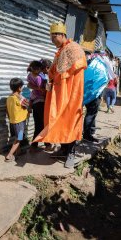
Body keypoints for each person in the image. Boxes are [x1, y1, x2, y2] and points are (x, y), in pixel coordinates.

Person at [33, 22, 87, 168]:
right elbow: (54, 72)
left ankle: (71, 152)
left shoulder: (74, 49)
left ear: (62, 35)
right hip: (59, 93)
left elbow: (73, 73)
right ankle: (63, 149)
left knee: (70, 122)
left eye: (53, 37)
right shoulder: (61, 51)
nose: (52, 41)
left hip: (71, 94)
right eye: (50, 37)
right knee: (59, 121)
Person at [27, 60, 52, 151]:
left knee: (38, 124)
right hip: (41, 102)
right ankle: (47, 144)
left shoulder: (30, 75)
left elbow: (29, 85)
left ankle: (34, 145)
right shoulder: (40, 77)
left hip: (34, 102)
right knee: (44, 124)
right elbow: (43, 90)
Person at [5, 78, 29, 162]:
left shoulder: (9, 97)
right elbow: (27, 104)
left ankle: (17, 152)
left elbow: (7, 110)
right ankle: (9, 155)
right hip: (19, 122)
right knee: (19, 138)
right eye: (22, 87)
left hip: (13, 121)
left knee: (17, 137)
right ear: (19, 88)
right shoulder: (19, 97)